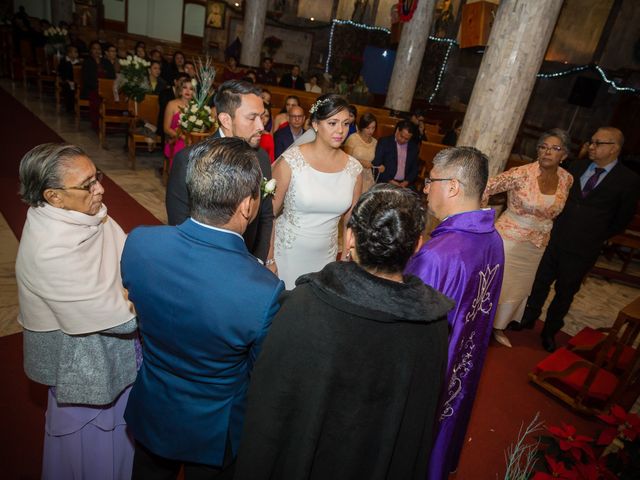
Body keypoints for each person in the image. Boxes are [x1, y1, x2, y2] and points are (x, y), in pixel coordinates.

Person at [234, 185, 451, 480]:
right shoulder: (433, 326)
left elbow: (269, 410)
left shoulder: (302, 305)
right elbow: (416, 426)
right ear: (417, 246)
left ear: (349, 238)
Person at [122, 137, 284, 479]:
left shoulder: (139, 243)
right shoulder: (263, 291)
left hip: (153, 408)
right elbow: (259, 373)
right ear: (247, 205)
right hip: (213, 430)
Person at [16, 143, 138, 479]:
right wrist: (155, 300)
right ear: (54, 196)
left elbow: (126, 254)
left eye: (97, 177)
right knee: (93, 450)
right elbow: (111, 313)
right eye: (87, 185)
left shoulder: (85, 214)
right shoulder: (49, 248)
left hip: (111, 351)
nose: (99, 188)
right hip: (82, 366)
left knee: (122, 432)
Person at [405, 146, 504, 480]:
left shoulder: (438, 255)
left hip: (431, 373)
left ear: (452, 187)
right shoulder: (493, 239)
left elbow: (407, 326)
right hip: (462, 362)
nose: (425, 188)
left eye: (430, 180)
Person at [516, 127, 640, 352]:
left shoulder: (628, 180)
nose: (591, 146)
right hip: (555, 238)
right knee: (539, 283)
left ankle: (550, 331)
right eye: (591, 141)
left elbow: (621, 219)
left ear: (615, 148)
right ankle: (528, 318)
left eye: (598, 143)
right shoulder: (576, 167)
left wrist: (594, 235)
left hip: (584, 247)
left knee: (565, 291)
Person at [482, 129, 573, 348]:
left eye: (555, 148)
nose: (547, 152)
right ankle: (480, 323)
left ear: (565, 155)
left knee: (519, 288)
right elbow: (485, 187)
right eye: (543, 147)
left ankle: (498, 326)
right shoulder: (521, 173)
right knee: (497, 283)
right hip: (509, 238)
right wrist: (480, 220)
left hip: (537, 244)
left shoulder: (566, 179)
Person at [166, 80, 274, 262]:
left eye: (262, 117)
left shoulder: (261, 158)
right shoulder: (189, 159)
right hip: (201, 261)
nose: (261, 127)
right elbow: (179, 223)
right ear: (225, 119)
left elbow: (265, 216)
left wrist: (260, 261)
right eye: (252, 117)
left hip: (247, 261)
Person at [268, 94, 363, 289]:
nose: (340, 130)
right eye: (333, 123)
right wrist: (269, 259)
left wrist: (345, 255)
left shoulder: (354, 169)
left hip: (325, 259)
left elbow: (350, 221)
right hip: (286, 255)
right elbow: (267, 214)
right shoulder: (290, 162)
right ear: (316, 125)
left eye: (346, 124)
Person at [372, 119, 420, 189]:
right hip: (385, 183)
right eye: (401, 136)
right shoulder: (384, 142)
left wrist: (406, 182)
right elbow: (377, 163)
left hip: (405, 185)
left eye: (406, 139)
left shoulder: (413, 147)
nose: (403, 140)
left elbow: (415, 168)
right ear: (397, 130)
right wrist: (390, 181)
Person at [163, 76, 194, 168]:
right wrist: (182, 137)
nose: (188, 91)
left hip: (191, 140)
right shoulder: (171, 104)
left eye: (191, 89)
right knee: (182, 149)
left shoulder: (196, 107)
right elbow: (166, 128)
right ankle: (178, 179)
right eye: (185, 88)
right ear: (180, 90)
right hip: (175, 139)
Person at [343, 112, 378, 192]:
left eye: (373, 128)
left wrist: (380, 166)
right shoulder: (353, 138)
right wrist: (360, 162)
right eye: (368, 128)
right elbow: (345, 159)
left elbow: (375, 162)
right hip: (352, 175)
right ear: (362, 127)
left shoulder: (375, 142)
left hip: (367, 177)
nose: (371, 131)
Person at [58, 44, 80, 113]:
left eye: (77, 52)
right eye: (74, 52)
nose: (76, 54)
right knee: (69, 88)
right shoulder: (64, 61)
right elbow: (61, 72)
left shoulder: (78, 62)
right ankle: (70, 107)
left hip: (76, 81)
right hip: (66, 80)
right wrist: (67, 80)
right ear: (69, 53)